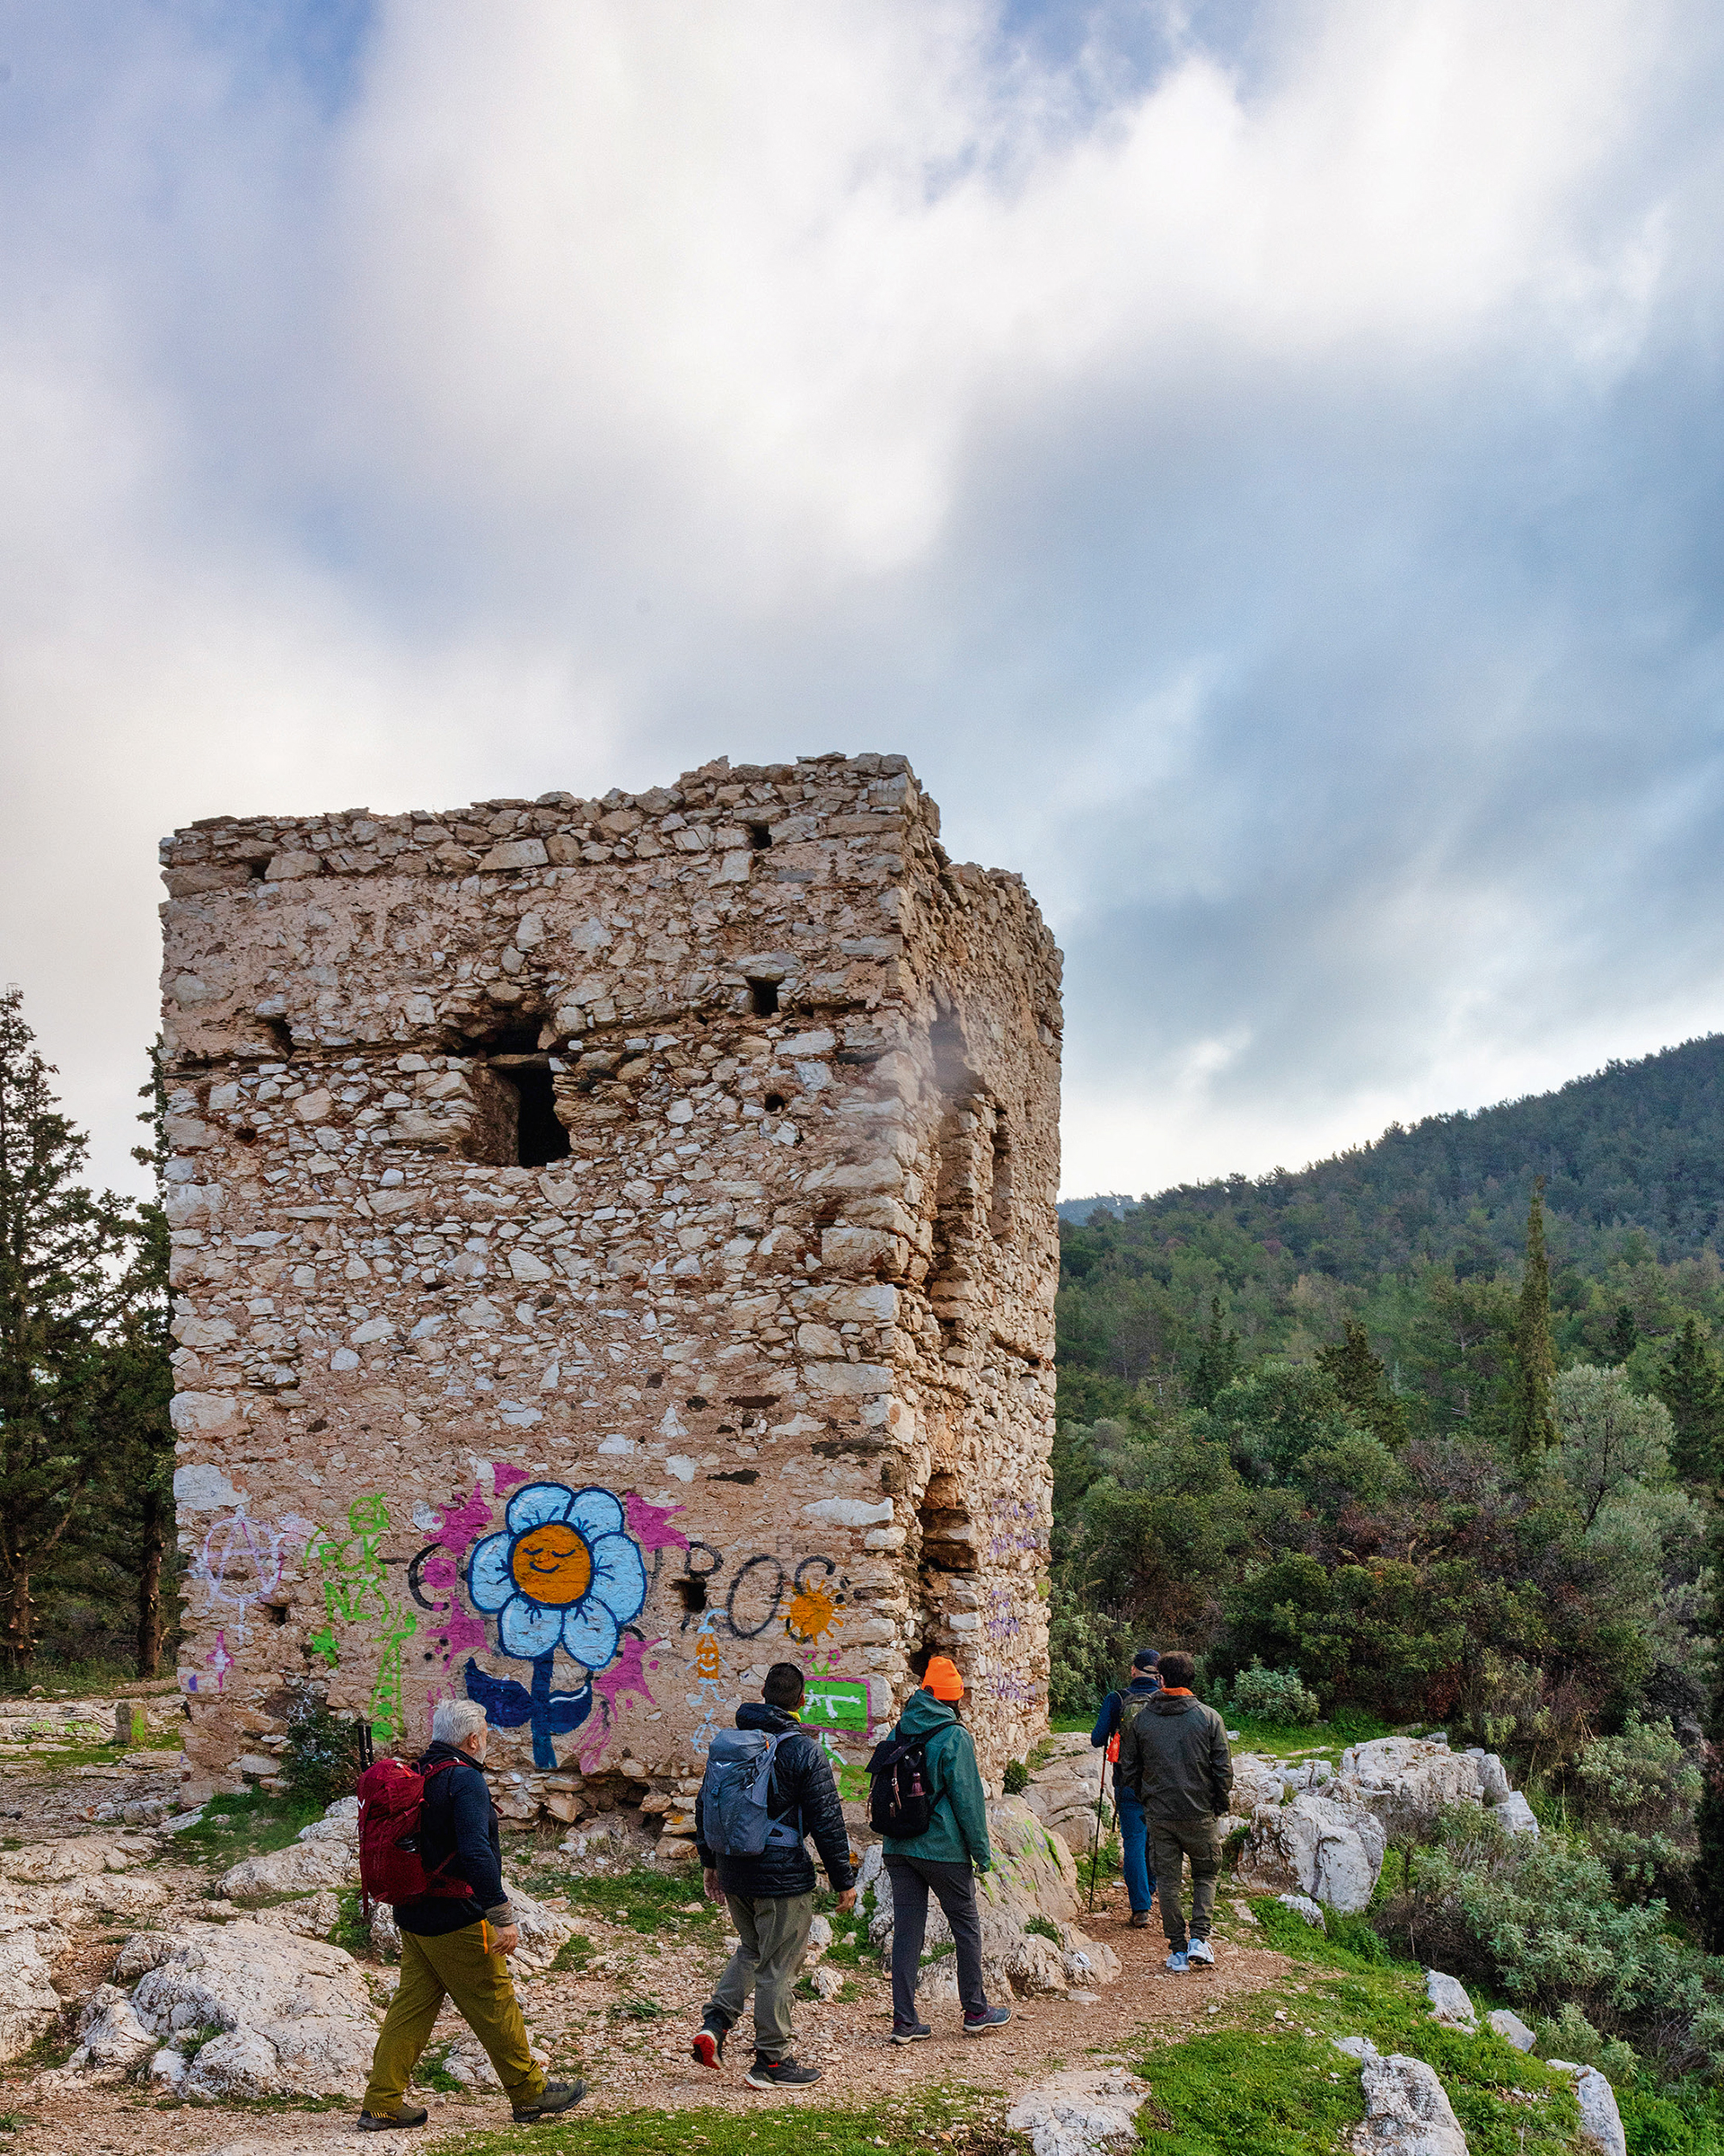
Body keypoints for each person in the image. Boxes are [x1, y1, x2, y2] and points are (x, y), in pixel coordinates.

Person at [359, 1699, 585, 2130]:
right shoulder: (464, 1781)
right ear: (473, 1739)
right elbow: (476, 1850)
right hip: (456, 1917)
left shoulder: (418, 1774)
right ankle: (530, 2093)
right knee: (495, 2002)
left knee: (410, 2010)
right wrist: (501, 1913)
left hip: (413, 1913)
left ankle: (382, 2102)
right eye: (485, 1735)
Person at [691, 1661, 857, 2090]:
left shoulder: (730, 1745)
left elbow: (704, 1805)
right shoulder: (803, 1750)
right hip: (781, 1875)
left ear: (763, 1696)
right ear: (802, 1701)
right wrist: (844, 1880)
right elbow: (827, 1821)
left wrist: (710, 1864)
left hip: (734, 1868)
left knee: (752, 1949)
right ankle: (772, 2061)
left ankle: (716, 2023)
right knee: (779, 1965)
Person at [881, 1655, 1012, 2045]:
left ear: (925, 1692)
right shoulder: (954, 1736)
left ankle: (904, 2021)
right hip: (943, 1849)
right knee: (965, 1926)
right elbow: (968, 1802)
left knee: (907, 1931)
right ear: (955, 1700)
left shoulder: (899, 1730)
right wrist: (982, 1853)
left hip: (897, 1846)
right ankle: (975, 2009)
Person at [1116, 1650, 1232, 1973]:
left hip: (1160, 1814)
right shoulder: (1209, 1718)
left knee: (1168, 1881)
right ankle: (1200, 1939)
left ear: (1161, 1680)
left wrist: (1147, 1799)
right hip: (1200, 1814)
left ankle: (1177, 1951)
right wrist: (1218, 1805)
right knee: (1205, 1875)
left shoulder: (1142, 1720)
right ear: (1192, 1680)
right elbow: (1223, 1770)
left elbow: (1130, 1768)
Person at [1090, 1649, 1162, 1927]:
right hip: (1160, 1785)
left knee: (1133, 1840)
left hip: (1128, 1782)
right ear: (1158, 1673)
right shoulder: (1165, 1698)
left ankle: (1141, 1907)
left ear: (1134, 1670)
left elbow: (1097, 1739)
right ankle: (1152, 1887)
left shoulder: (1117, 1699)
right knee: (1156, 1840)